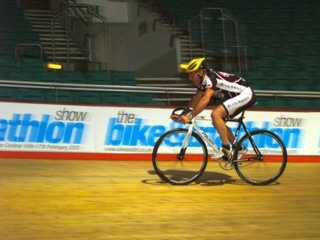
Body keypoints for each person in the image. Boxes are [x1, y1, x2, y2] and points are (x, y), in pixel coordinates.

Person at [171, 57, 256, 160]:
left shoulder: (210, 79)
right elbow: (196, 98)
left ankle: (226, 149)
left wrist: (190, 116)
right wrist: (183, 114)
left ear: (201, 72)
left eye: (192, 74)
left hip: (245, 94)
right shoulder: (203, 81)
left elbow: (205, 100)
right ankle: (238, 148)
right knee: (217, 121)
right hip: (235, 96)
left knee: (215, 114)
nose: (190, 78)